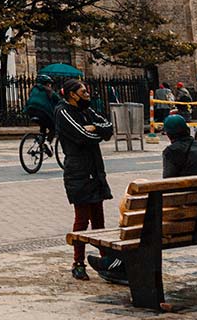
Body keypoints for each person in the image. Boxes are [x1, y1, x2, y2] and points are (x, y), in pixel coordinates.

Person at [55, 78, 122, 283]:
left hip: (95, 168)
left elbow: (108, 128)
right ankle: (78, 262)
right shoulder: (63, 111)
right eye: (83, 92)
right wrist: (93, 131)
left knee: (99, 220)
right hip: (79, 171)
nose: (87, 95)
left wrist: (95, 128)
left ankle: (106, 261)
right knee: (82, 219)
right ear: (72, 94)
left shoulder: (88, 110)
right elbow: (83, 136)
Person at [160, 114, 197, 180]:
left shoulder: (171, 151)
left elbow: (168, 181)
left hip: (188, 189)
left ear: (169, 134)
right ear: (187, 129)